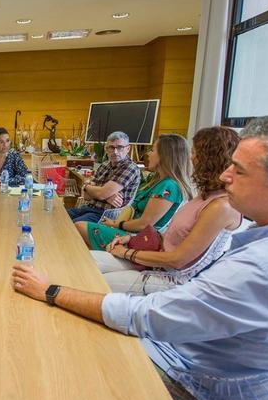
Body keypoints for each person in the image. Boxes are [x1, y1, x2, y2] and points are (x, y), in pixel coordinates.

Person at [12, 110, 268, 400]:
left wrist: (51, 291)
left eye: (238, 170)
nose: (225, 176)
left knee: (67, 337)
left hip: (208, 382)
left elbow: (146, 316)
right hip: (252, 380)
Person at [93, 126, 242, 294]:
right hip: (155, 261)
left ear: (209, 159)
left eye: (194, 153)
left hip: (171, 278)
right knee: (85, 263)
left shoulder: (221, 206)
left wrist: (127, 253)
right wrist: (130, 239)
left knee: (91, 282)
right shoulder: (205, 196)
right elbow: (175, 237)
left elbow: (178, 260)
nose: (190, 158)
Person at [75, 134, 192, 250]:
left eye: (152, 150)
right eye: (111, 147)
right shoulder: (157, 181)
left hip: (137, 237)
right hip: (126, 227)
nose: (148, 154)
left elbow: (144, 224)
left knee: (78, 227)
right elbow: (93, 195)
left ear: (165, 155)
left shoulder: (169, 186)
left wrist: (116, 224)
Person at [67, 131, 142, 223]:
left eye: (120, 147)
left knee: (72, 226)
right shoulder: (104, 165)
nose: (115, 152)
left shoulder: (130, 168)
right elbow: (86, 196)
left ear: (128, 149)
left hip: (106, 215)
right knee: (59, 216)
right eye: (111, 147)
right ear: (106, 149)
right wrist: (105, 196)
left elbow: (100, 194)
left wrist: (88, 187)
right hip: (88, 208)